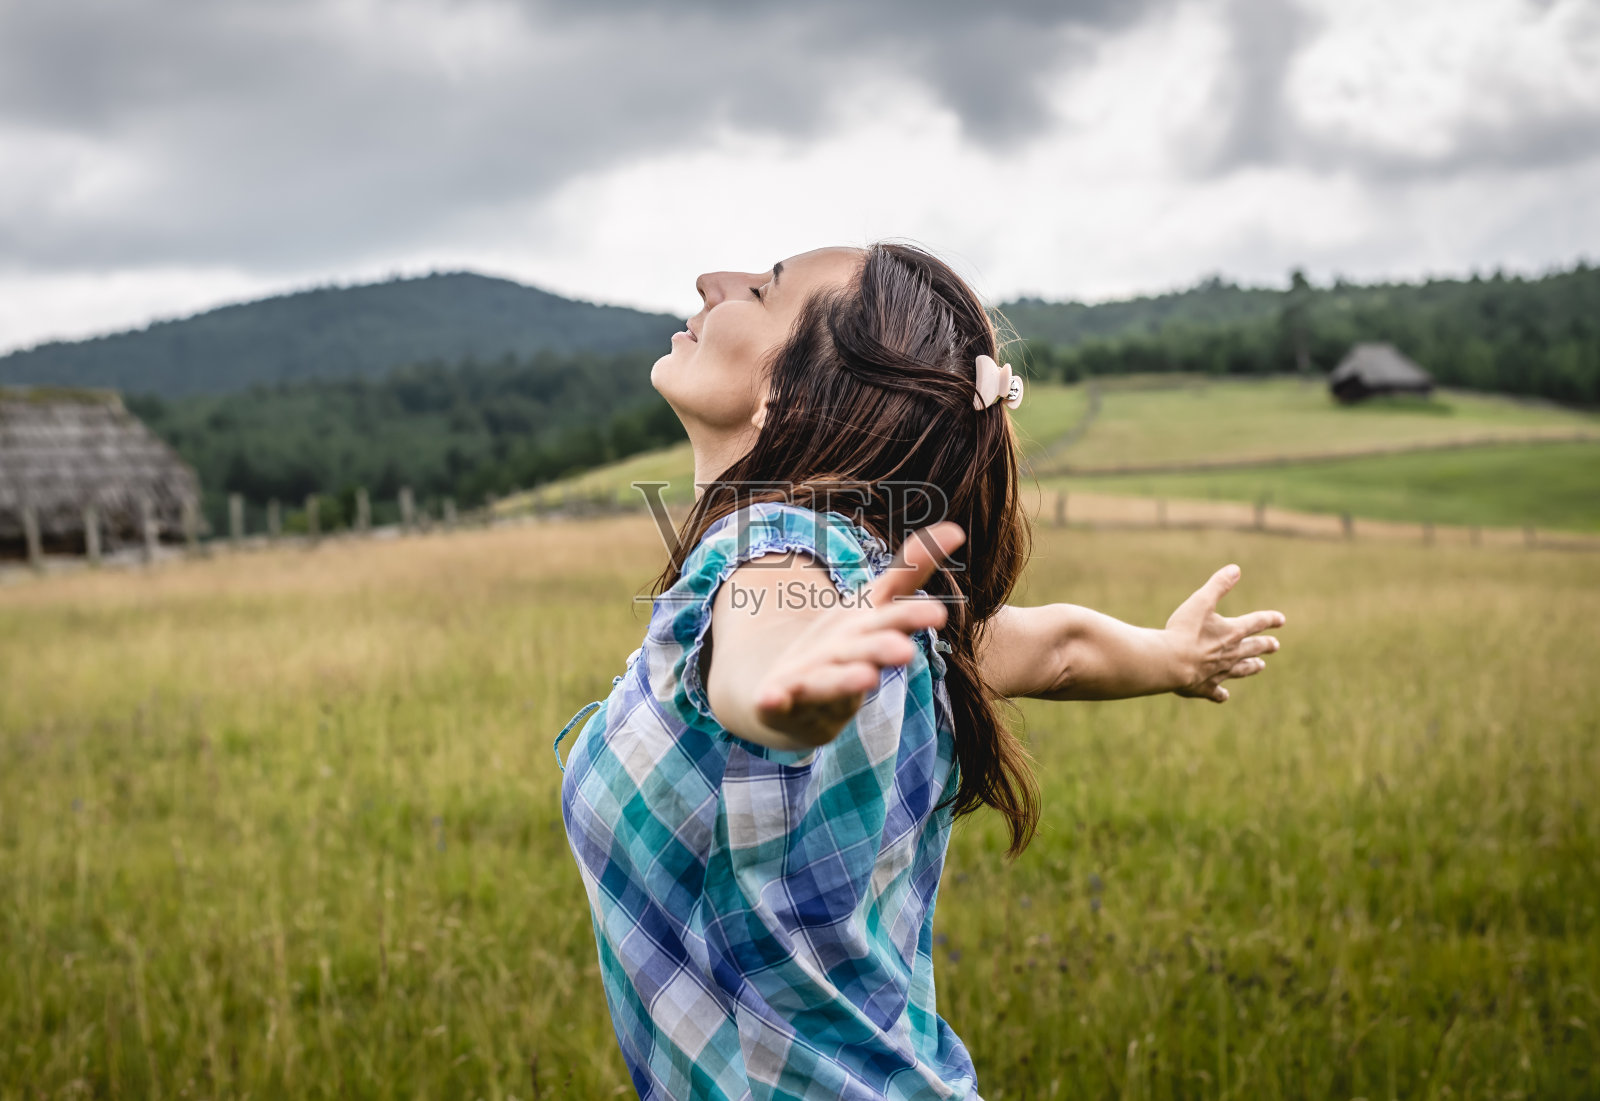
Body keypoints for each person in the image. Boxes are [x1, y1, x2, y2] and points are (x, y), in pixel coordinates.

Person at [556, 243, 1285, 1100]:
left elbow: (767, 657)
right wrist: (1170, 655)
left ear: (791, 389)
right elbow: (1058, 648)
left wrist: (790, 697)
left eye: (760, 289)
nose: (712, 281)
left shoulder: (778, 551)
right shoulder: (875, 592)